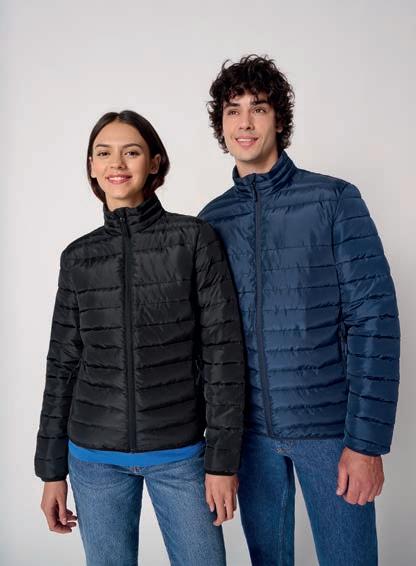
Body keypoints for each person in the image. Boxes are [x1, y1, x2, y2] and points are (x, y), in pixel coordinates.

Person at [198, 55, 400, 566]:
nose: (245, 122)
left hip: (331, 433)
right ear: (221, 125)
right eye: (233, 111)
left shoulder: (334, 200)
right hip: (251, 439)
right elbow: (209, 343)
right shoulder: (212, 221)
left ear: (279, 119)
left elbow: (374, 321)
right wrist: (218, 445)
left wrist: (366, 443)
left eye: (259, 108)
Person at [34, 109, 246, 566]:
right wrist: (51, 471)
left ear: (154, 162)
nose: (117, 163)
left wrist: (222, 461)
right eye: (103, 153)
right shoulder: (78, 257)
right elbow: (62, 364)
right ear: (92, 167)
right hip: (93, 459)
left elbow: (223, 355)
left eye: (130, 152)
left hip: (181, 454)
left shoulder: (194, 240)